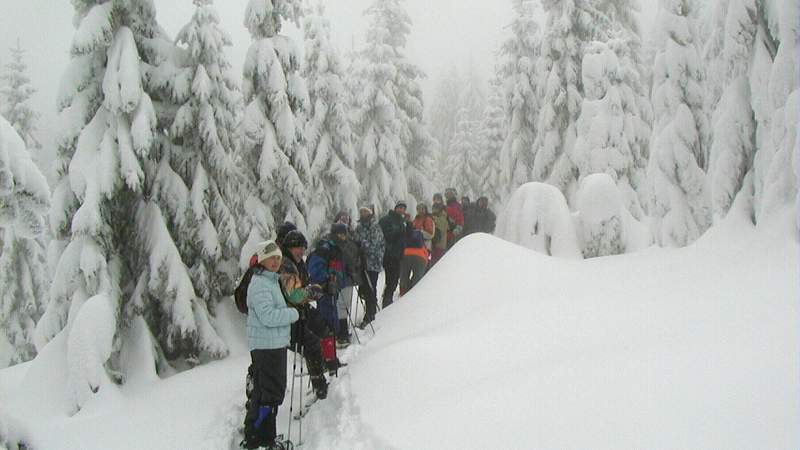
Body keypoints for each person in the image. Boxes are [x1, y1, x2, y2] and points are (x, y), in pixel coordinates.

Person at [242, 241, 299, 450]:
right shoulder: (260, 283)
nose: (276, 262)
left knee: (263, 392)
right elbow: (268, 316)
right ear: (261, 260)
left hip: (269, 345)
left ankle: (256, 438)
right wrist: (293, 314)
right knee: (271, 394)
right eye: (271, 258)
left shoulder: (268, 281)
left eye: (278, 257)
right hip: (268, 347)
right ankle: (264, 440)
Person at [279, 230, 334, 399]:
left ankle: (329, 365)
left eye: (303, 248)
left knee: (323, 329)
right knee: (312, 345)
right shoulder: (286, 265)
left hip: (298, 312)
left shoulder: (297, 263)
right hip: (288, 316)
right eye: (298, 248)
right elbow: (295, 295)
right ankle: (320, 386)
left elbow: (304, 286)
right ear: (289, 248)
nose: (301, 251)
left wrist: (318, 288)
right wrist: (316, 291)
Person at [307, 223, 349, 341]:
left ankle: (329, 353)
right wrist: (327, 280)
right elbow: (314, 268)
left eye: (344, 235)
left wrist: (342, 280)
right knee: (327, 322)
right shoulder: (325, 248)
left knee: (332, 321)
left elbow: (339, 270)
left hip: (333, 290)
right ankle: (326, 354)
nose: (342, 238)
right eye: (340, 235)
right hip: (324, 290)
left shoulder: (338, 249)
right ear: (334, 234)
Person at [332, 211, 361, 347]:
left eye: (346, 220)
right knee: (340, 305)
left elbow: (354, 257)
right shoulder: (332, 241)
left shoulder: (351, 240)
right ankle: (341, 334)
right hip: (338, 278)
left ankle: (342, 332)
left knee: (344, 305)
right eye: (341, 220)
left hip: (347, 278)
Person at [354, 206, 384, 328]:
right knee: (364, 290)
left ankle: (371, 314)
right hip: (362, 264)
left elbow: (374, 245)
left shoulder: (375, 226)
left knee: (371, 289)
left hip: (373, 263)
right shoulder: (359, 227)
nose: (363, 213)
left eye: (365, 211)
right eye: (361, 211)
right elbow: (355, 240)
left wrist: (361, 244)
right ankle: (369, 313)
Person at [379, 202, 409, 308]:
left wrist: (408, 225)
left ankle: (388, 301)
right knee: (390, 280)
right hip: (388, 254)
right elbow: (387, 236)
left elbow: (406, 236)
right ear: (395, 208)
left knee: (394, 280)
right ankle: (386, 303)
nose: (402, 210)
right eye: (400, 208)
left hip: (398, 255)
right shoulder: (387, 219)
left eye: (403, 208)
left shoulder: (402, 221)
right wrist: (400, 231)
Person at [399, 229, 428, 296]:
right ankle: (413, 294)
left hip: (406, 255)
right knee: (417, 277)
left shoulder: (407, 244)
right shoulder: (422, 246)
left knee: (404, 276)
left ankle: (403, 293)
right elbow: (426, 259)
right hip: (421, 257)